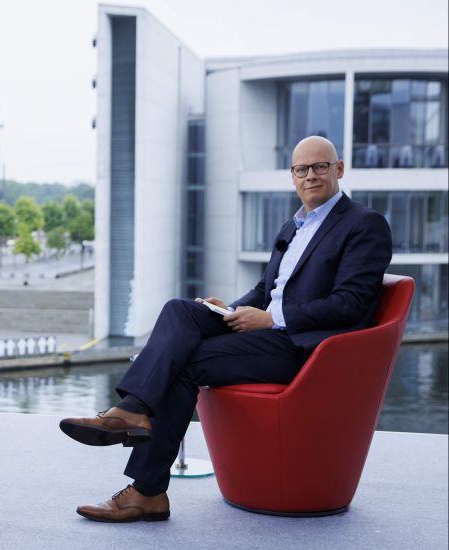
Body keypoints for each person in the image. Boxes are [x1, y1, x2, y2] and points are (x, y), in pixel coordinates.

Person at [59, 136, 393, 523]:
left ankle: (145, 484)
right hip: (270, 334)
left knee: (183, 363)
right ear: (292, 176)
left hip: (304, 348)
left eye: (320, 167)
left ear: (339, 169)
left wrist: (271, 319)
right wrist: (230, 310)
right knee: (180, 310)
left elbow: (351, 303)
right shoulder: (294, 225)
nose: (310, 176)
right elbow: (266, 290)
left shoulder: (364, 224)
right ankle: (133, 415)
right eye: (301, 169)